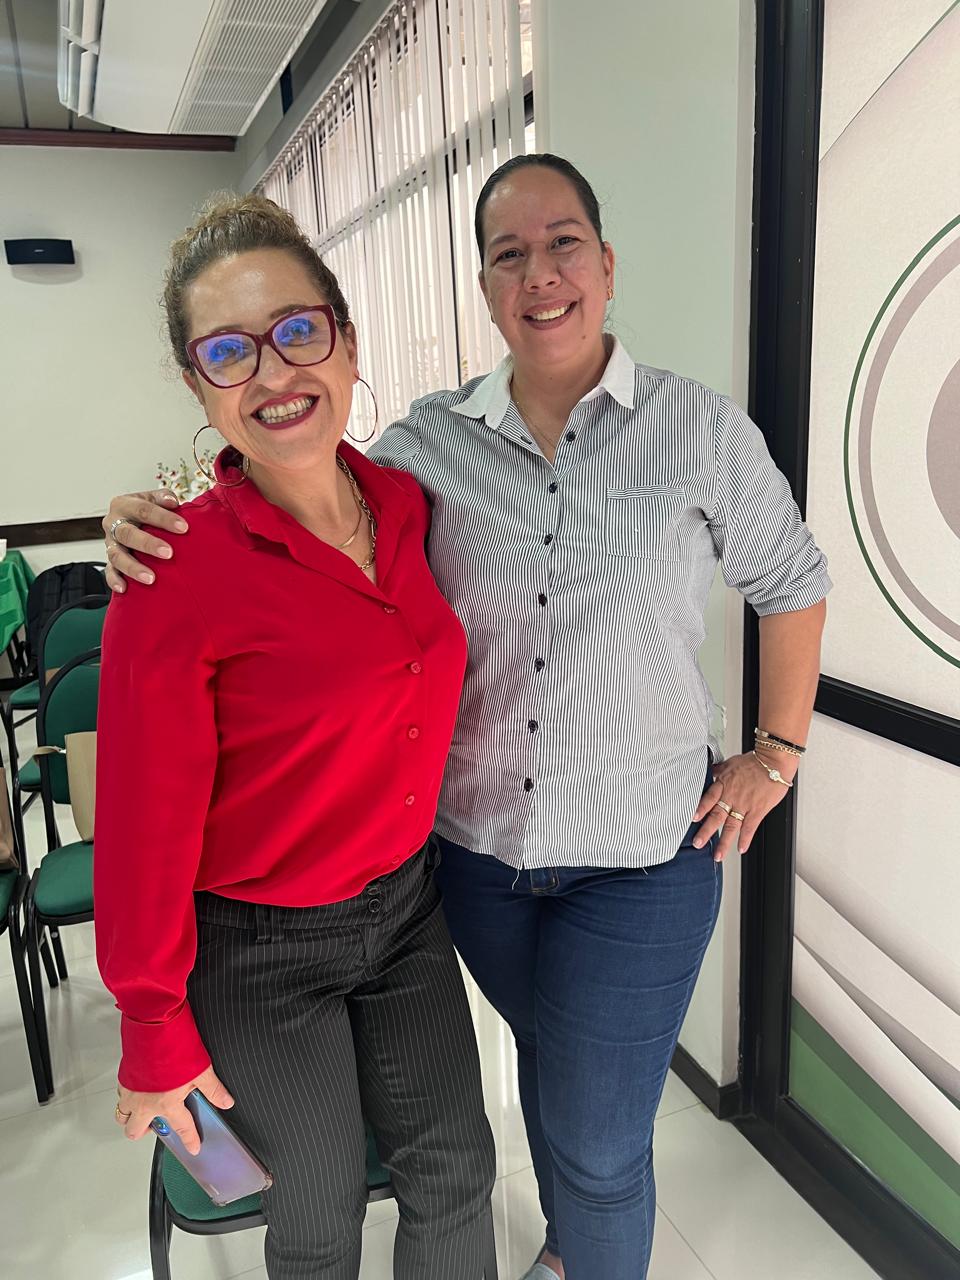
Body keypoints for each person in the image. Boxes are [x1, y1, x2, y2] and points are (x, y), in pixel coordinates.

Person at [103, 155, 830, 1280]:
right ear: (484, 287)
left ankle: (583, 1249)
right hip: (453, 872)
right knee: (425, 1147)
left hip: (613, 856)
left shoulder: (679, 436)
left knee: (564, 1144)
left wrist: (775, 754)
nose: (540, 274)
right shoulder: (417, 458)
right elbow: (285, 464)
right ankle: (571, 1247)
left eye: (564, 243)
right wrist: (140, 510)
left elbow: (791, 578)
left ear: (606, 262)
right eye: (508, 254)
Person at [94, 194, 496, 1280]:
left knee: (457, 1175)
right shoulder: (173, 574)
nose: (273, 372)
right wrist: (151, 1023)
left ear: (347, 341)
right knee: (316, 1214)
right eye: (228, 351)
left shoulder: (409, 505)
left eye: (298, 330)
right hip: (256, 946)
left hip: (406, 911)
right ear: (198, 386)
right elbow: (139, 827)